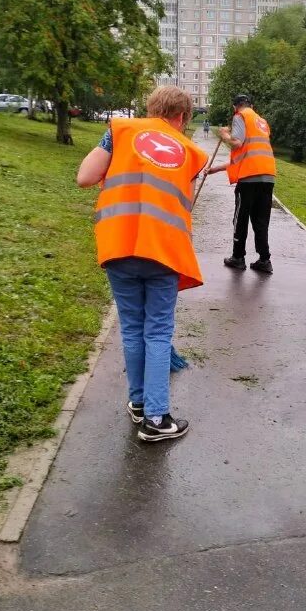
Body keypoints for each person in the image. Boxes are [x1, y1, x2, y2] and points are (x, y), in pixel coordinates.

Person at [77, 87, 208, 442]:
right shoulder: (191, 152)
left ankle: (138, 403)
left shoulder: (120, 131)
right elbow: (183, 206)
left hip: (119, 244)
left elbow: (85, 177)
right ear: (182, 116)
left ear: (150, 109)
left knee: (133, 329)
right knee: (158, 332)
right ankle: (156, 418)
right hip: (162, 251)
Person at [207, 94, 276, 274]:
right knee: (261, 220)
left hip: (248, 179)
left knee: (241, 219)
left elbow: (237, 143)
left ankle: (238, 257)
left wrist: (224, 134)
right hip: (268, 177)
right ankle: (264, 260)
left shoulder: (240, 116)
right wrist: (216, 169)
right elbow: (248, 155)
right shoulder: (261, 122)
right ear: (252, 105)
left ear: (235, 107)